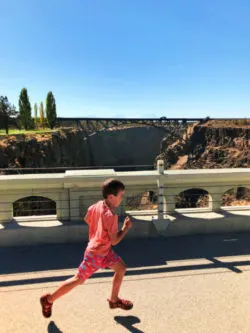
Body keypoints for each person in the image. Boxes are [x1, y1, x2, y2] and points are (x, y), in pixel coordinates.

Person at [40, 179, 133, 318]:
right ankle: (48, 300)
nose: (122, 198)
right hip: (96, 253)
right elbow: (114, 241)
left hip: (103, 250)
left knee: (121, 268)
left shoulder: (95, 206)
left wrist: (98, 232)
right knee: (78, 279)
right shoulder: (111, 216)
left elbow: (87, 219)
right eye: (121, 195)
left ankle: (114, 301)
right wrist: (125, 229)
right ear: (111, 197)